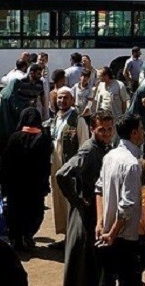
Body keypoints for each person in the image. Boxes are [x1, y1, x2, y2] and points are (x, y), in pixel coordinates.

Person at [56, 111, 115, 286]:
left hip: (95, 212)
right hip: (85, 214)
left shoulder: (106, 148)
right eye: (102, 130)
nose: (106, 134)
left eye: (109, 129)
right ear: (92, 129)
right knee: (81, 263)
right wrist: (77, 200)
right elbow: (62, 174)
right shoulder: (89, 150)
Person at [94, 114, 143, 285]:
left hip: (107, 231)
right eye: (141, 129)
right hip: (123, 236)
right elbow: (126, 205)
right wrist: (113, 234)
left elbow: (99, 190)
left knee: (106, 279)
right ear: (134, 133)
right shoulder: (132, 164)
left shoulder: (110, 156)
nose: (143, 132)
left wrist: (100, 223)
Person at [0, 108, 53, 249]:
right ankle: (28, 236)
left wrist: (2, 182)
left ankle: (16, 240)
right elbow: (47, 165)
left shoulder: (15, 137)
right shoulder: (44, 140)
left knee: (15, 212)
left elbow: (5, 162)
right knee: (34, 212)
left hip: (15, 186)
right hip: (35, 186)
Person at [48, 87, 89, 246]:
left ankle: (73, 238)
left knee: (70, 202)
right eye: (59, 98)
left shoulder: (78, 120)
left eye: (66, 98)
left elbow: (84, 147)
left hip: (70, 169)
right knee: (59, 201)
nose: (62, 101)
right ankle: (66, 236)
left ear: (72, 100)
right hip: (56, 166)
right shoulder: (55, 118)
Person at [0, 63, 46, 159]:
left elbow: (42, 97)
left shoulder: (40, 83)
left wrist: (44, 111)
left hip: (29, 113)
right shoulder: (19, 82)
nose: (40, 76)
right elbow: (13, 99)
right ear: (31, 73)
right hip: (17, 114)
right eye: (38, 73)